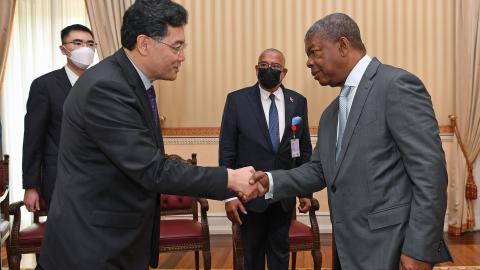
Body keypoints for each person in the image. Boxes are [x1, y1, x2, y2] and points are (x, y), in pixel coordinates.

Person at [36, 1, 260, 269]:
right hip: (93, 247)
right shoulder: (107, 88)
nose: (182, 56)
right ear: (144, 44)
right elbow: (152, 169)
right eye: (176, 47)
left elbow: (150, 159)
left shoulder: (130, 82)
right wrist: (230, 178)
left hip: (115, 240)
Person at [250, 13, 451, 270]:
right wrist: (271, 180)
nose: (308, 63)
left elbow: (430, 174)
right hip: (346, 250)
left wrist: (420, 250)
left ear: (343, 46)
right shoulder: (331, 114)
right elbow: (320, 170)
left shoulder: (396, 86)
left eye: (314, 52)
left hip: (392, 248)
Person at [219, 48, 312, 270]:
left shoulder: (297, 102)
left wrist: (305, 191)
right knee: (251, 257)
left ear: (284, 72)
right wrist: (228, 197)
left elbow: (303, 148)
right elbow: (227, 151)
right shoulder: (237, 100)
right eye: (264, 65)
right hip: (248, 196)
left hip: (283, 195)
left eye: (275, 66)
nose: (269, 69)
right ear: (256, 68)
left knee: (281, 255)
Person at [22, 24, 96, 212]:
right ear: (63, 49)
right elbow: (33, 139)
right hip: (60, 179)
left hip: (98, 180)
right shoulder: (44, 86)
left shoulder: (102, 85)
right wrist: (31, 186)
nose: (84, 49)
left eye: (89, 44)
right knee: (65, 238)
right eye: (77, 43)